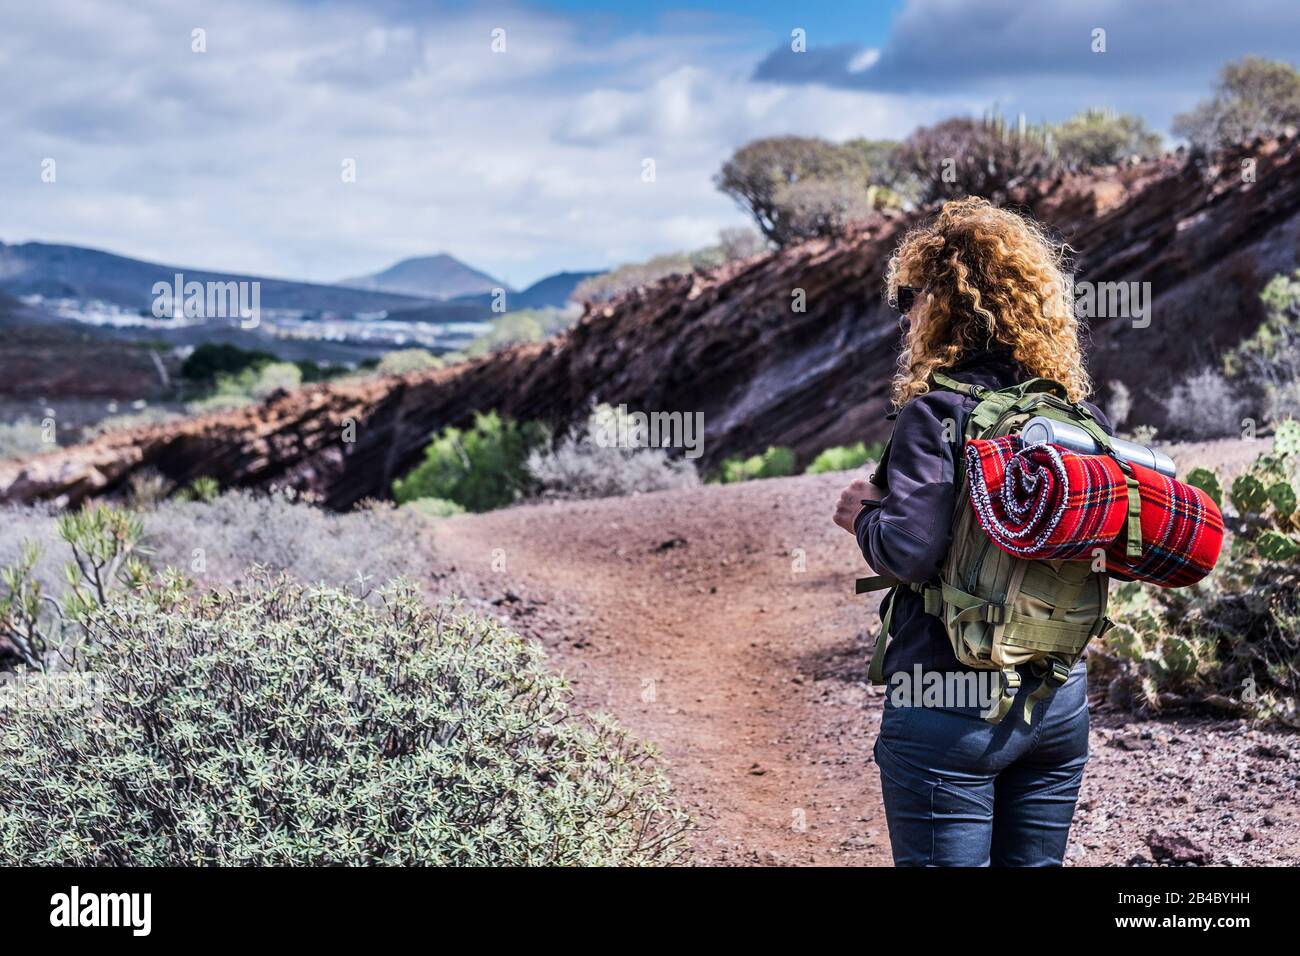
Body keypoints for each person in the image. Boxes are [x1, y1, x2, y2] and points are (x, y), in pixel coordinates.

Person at [832, 196, 1111, 867]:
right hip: (1055, 700)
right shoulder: (1071, 416)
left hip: (946, 703)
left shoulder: (937, 414)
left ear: (942, 305)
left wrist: (862, 516)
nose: (906, 314)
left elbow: (908, 550)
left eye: (913, 297)